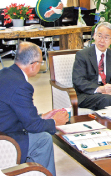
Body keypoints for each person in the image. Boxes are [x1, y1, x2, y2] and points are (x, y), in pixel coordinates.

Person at [0, 42, 69, 176]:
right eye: (41, 62)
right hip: (6, 138)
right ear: (33, 64)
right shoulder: (21, 86)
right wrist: (55, 122)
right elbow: (33, 126)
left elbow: (16, 112)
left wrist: (42, 117)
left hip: (4, 125)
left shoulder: (5, 73)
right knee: (43, 139)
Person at [73, 22, 111, 110]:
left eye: (106, 37)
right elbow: (78, 80)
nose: (102, 40)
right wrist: (99, 89)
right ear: (94, 36)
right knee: (106, 99)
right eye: (99, 36)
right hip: (88, 94)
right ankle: (106, 124)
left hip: (107, 92)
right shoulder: (82, 55)